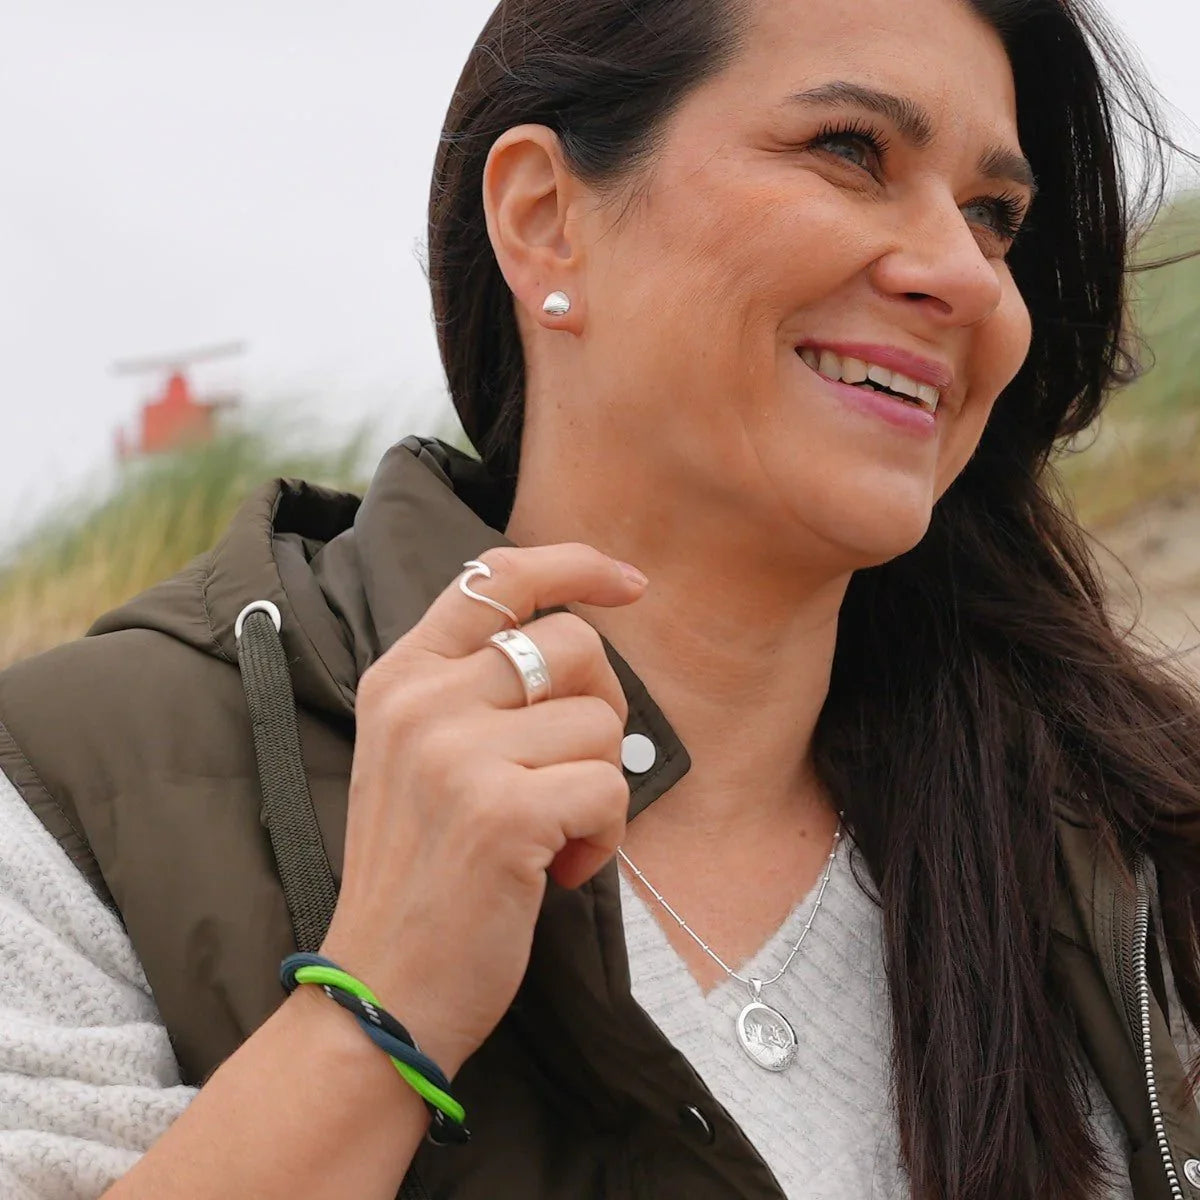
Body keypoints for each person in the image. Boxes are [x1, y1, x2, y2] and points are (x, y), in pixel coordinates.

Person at [2, 0, 1199, 1196]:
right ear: (545, 218)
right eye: (850, 151)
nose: (963, 275)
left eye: (993, 218)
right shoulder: (80, 789)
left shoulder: (1127, 851)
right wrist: (379, 1002)